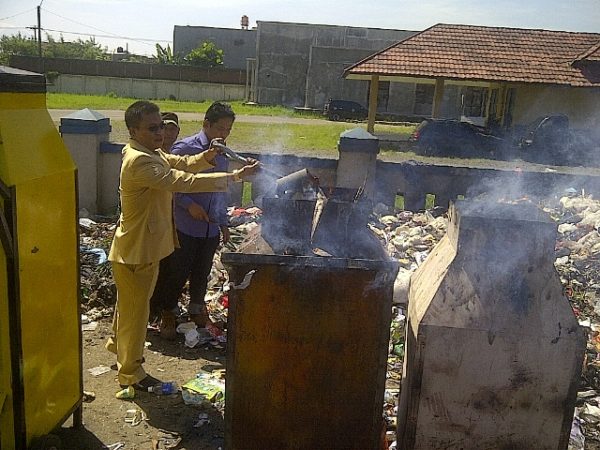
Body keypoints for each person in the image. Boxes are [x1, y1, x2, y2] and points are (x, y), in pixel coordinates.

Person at [106, 100, 257, 389]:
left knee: (127, 307)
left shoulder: (149, 152)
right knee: (137, 315)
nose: (160, 132)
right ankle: (131, 372)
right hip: (138, 251)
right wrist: (235, 177)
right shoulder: (140, 161)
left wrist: (209, 155)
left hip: (135, 247)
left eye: (160, 126)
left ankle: (117, 346)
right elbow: (183, 180)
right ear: (133, 130)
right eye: (152, 128)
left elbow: (183, 163)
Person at [150, 101, 237, 339]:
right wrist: (190, 206)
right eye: (220, 129)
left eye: (228, 130)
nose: (224, 134)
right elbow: (171, 186)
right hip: (185, 226)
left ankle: (197, 309)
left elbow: (220, 190)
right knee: (177, 272)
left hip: (209, 228)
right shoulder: (184, 148)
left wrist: (223, 222)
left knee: (202, 271)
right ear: (206, 124)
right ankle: (167, 312)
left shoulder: (222, 153)